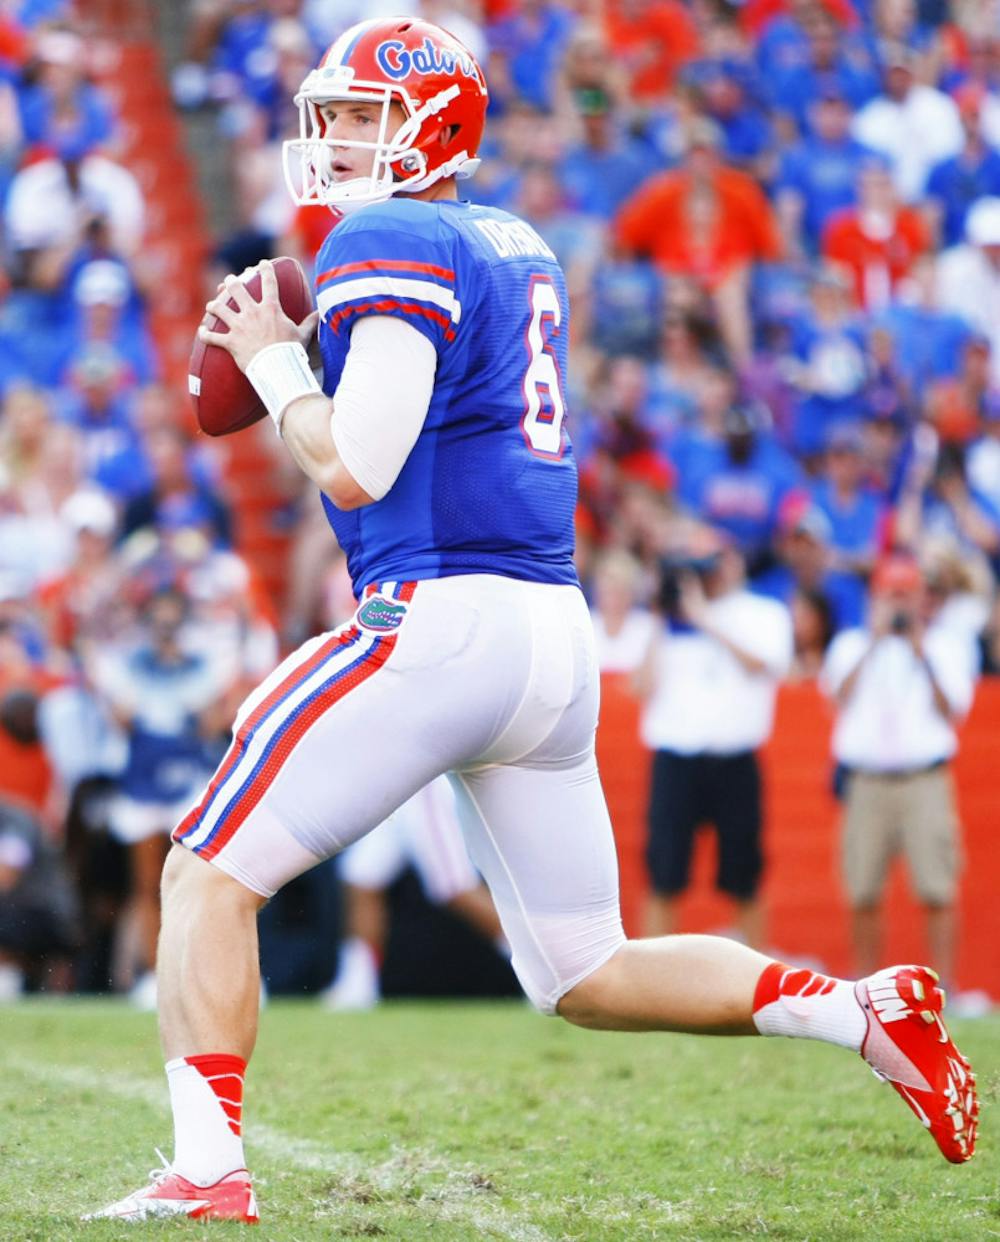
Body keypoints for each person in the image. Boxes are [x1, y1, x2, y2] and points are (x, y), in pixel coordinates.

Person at [87, 17, 978, 1225]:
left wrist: (278, 362)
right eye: (334, 114)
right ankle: (861, 1013)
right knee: (586, 972)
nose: (336, 137)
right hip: (548, 639)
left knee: (202, 873)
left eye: (359, 114)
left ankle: (207, 1171)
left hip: (438, 619)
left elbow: (357, 464)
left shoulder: (390, 232)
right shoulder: (514, 240)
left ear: (431, 122)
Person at [820, 555, 977, 988]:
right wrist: (875, 637)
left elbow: (952, 709)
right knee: (863, 889)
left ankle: (948, 990)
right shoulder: (851, 644)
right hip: (866, 782)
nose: (901, 603)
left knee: (937, 887)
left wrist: (918, 647)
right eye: (893, 594)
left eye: (906, 594)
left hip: (924, 780)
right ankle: (866, 990)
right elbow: (836, 698)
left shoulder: (944, 646)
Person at [633, 528, 792, 948]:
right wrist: (659, 615)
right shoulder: (667, 621)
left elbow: (764, 664)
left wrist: (704, 617)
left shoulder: (761, 612)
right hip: (675, 759)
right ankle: (653, 985)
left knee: (745, 876)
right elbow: (640, 685)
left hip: (734, 758)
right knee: (663, 875)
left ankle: (760, 982)